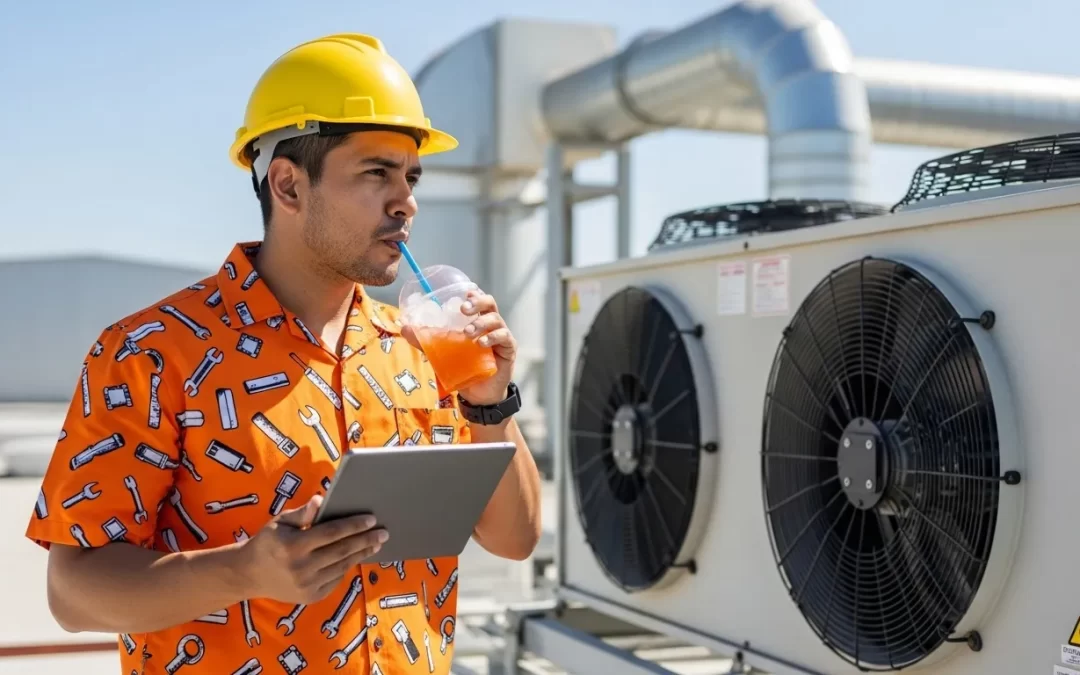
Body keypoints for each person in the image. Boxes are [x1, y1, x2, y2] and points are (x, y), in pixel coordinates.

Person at [26, 33, 542, 674]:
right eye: (375, 173)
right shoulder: (152, 354)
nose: (405, 200)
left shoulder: (421, 350)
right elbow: (72, 594)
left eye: (410, 176)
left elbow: (514, 540)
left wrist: (490, 402)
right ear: (289, 185)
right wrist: (242, 571)